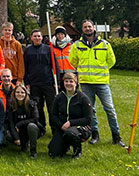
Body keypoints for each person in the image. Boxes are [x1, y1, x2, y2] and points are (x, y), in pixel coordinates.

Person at [68, 19, 125, 147]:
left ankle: (116, 135)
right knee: (90, 110)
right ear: (82, 29)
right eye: (85, 27)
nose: (88, 29)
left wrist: (101, 69)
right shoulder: (77, 45)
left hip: (102, 82)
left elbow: (111, 61)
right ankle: (95, 134)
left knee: (110, 109)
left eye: (89, 26)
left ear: (94, 28)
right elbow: (73, 60)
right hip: (86, 83)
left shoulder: (104, 44)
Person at [23, 29, 59, 135]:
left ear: (42, 37)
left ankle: (54, 128)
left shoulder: (48, 49)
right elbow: (25, 68)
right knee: (38, 107)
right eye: (35, 36)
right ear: (31, 37)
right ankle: (41, 127)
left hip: (48, 83)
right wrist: (26, 82)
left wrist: (56, 81)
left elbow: (55, 66)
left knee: (52, 107)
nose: (37, 38)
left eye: (39, 36)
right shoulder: (27, 50)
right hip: (34, 84)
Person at [48, 72, 92, 159]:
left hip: (79, 128)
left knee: (70, 133)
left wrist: (70, 123)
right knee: (53, 153)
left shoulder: (83, 98)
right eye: (66, 81)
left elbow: (88, 119)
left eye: (71, 81)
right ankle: (65, 145)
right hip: (62, 127)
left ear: (75, 83)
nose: (68, 84)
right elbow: (53, 115)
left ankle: (77, 149)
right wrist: (61, 126)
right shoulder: (59, 97)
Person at [7, 85, 42, 159]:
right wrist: (16, 138)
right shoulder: (11, 105)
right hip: (20, 131)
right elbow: (11, 122)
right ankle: (24, 144)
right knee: (9, 136)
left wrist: (19, 124)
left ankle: (33, 151)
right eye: (17, 92)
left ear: (26, 94)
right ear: (14, 93)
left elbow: (35, 119)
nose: (20, 94)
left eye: (22, 92)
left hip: (32, 130)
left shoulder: (31, 104)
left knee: (31, 126)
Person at [52, 26, 75, 91]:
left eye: (62, 34)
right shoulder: (52, 47)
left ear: (65, 35)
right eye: (58, 34)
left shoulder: (72, 45)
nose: (60, 36)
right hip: (58, 74)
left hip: (71, 72)